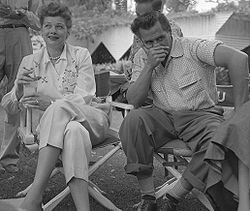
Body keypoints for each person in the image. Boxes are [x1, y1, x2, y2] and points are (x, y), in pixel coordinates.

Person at [119, 11, 249, 211]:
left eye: (160, 38)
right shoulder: (141, 57)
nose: (156, 46)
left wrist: (239, 110)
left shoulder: (193, 47)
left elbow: (238, 59)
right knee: (133, 120)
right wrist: (148, 67)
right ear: (141, 42)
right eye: (149, 42)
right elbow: (134, 99)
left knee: (219, 139)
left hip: (200, 116)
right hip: (162, 116)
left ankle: (173, 195)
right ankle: (148, 198)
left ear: (170, 32)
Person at [2, 2, 110, 211]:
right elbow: (9, 106)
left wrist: (50, 103)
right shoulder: (29, 62)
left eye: (59, 26)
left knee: (62, 111)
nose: (53, 31)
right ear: (40, 30)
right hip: (53, 130)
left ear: (68, 31)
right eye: (48, 26)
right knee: (73, 132)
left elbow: (84, 98)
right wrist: (18, 89)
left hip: (90, 121)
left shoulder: (80, 55)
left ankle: (34, 197)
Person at [0, 0, 40, 173]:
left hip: (20, 36)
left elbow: (38, 23)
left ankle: (8, 158)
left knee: (18, 94)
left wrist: (23, 14)